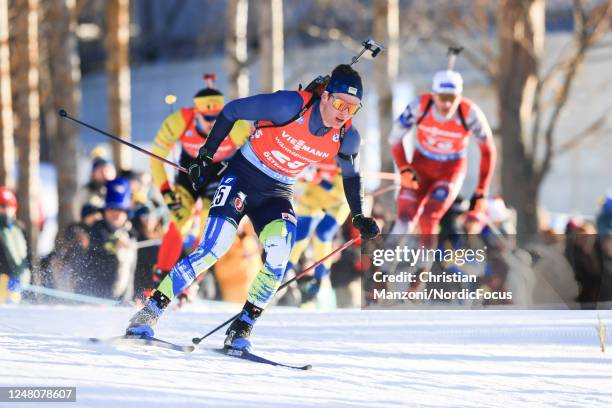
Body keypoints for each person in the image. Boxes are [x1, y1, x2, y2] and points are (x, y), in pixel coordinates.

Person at [126, 64, 380, 351]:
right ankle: (149, 311)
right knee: (214, 248)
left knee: (280, 254)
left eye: (353, 108)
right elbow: (232, 110)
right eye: (339, 103)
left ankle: (243, 326)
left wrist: (358, 215)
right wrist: (205, 156)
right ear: (325, 96)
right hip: (243, 177)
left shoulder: (347, 136)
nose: (344, 112)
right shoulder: (289, 105)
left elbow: (351, 176)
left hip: (277, 192)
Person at [149, 77, 251, 301]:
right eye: (207, 119)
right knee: (180, 219)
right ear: (196, 113)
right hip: (190, 170)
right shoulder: (179, 121)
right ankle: (160, 278)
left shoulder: (237, 125)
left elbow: (255, 158)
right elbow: (156, 159)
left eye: (217, 119)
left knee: (208, 223)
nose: (213, 124)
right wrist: (166, 192)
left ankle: (190, 281)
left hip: (221, 172)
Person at [388, 69, 496, 236]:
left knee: (428, 218)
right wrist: (404, 168)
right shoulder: (419, 106)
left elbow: (488, 150)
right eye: (442, 98)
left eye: (451, 98)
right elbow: (394, 139)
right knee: (404, 219)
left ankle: (425, 262)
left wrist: (481, 190)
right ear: (433, 95)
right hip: (421, 166)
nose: (446, 104)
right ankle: (387, 261)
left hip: (450, 170)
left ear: (459, 97)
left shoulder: (470, 114)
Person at [285, 157, 351, 304]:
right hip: (313, 200)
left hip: (337, 203)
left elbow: (341, 193)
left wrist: (317, 179)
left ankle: (319, 277)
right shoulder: (311, 153)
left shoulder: (342, 161)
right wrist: (302, 177)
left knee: (323, 233)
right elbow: (297, 186)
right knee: (299, 236)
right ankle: (282, 271)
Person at [78, 178, 137, 301]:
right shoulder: (97, 229)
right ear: (104, 211)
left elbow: (131, 273)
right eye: (111, 208)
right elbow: (96, 244)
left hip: (120, 300)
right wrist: (114, 243)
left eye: (120, 210)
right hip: (93, 296)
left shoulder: (131, 234)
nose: (116, 213)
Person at [0, 187, 30, 304]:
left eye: (9, 206)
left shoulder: (19, 228)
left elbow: (29, 257)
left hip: (22, 284)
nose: (6, 210)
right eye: (2, 206)